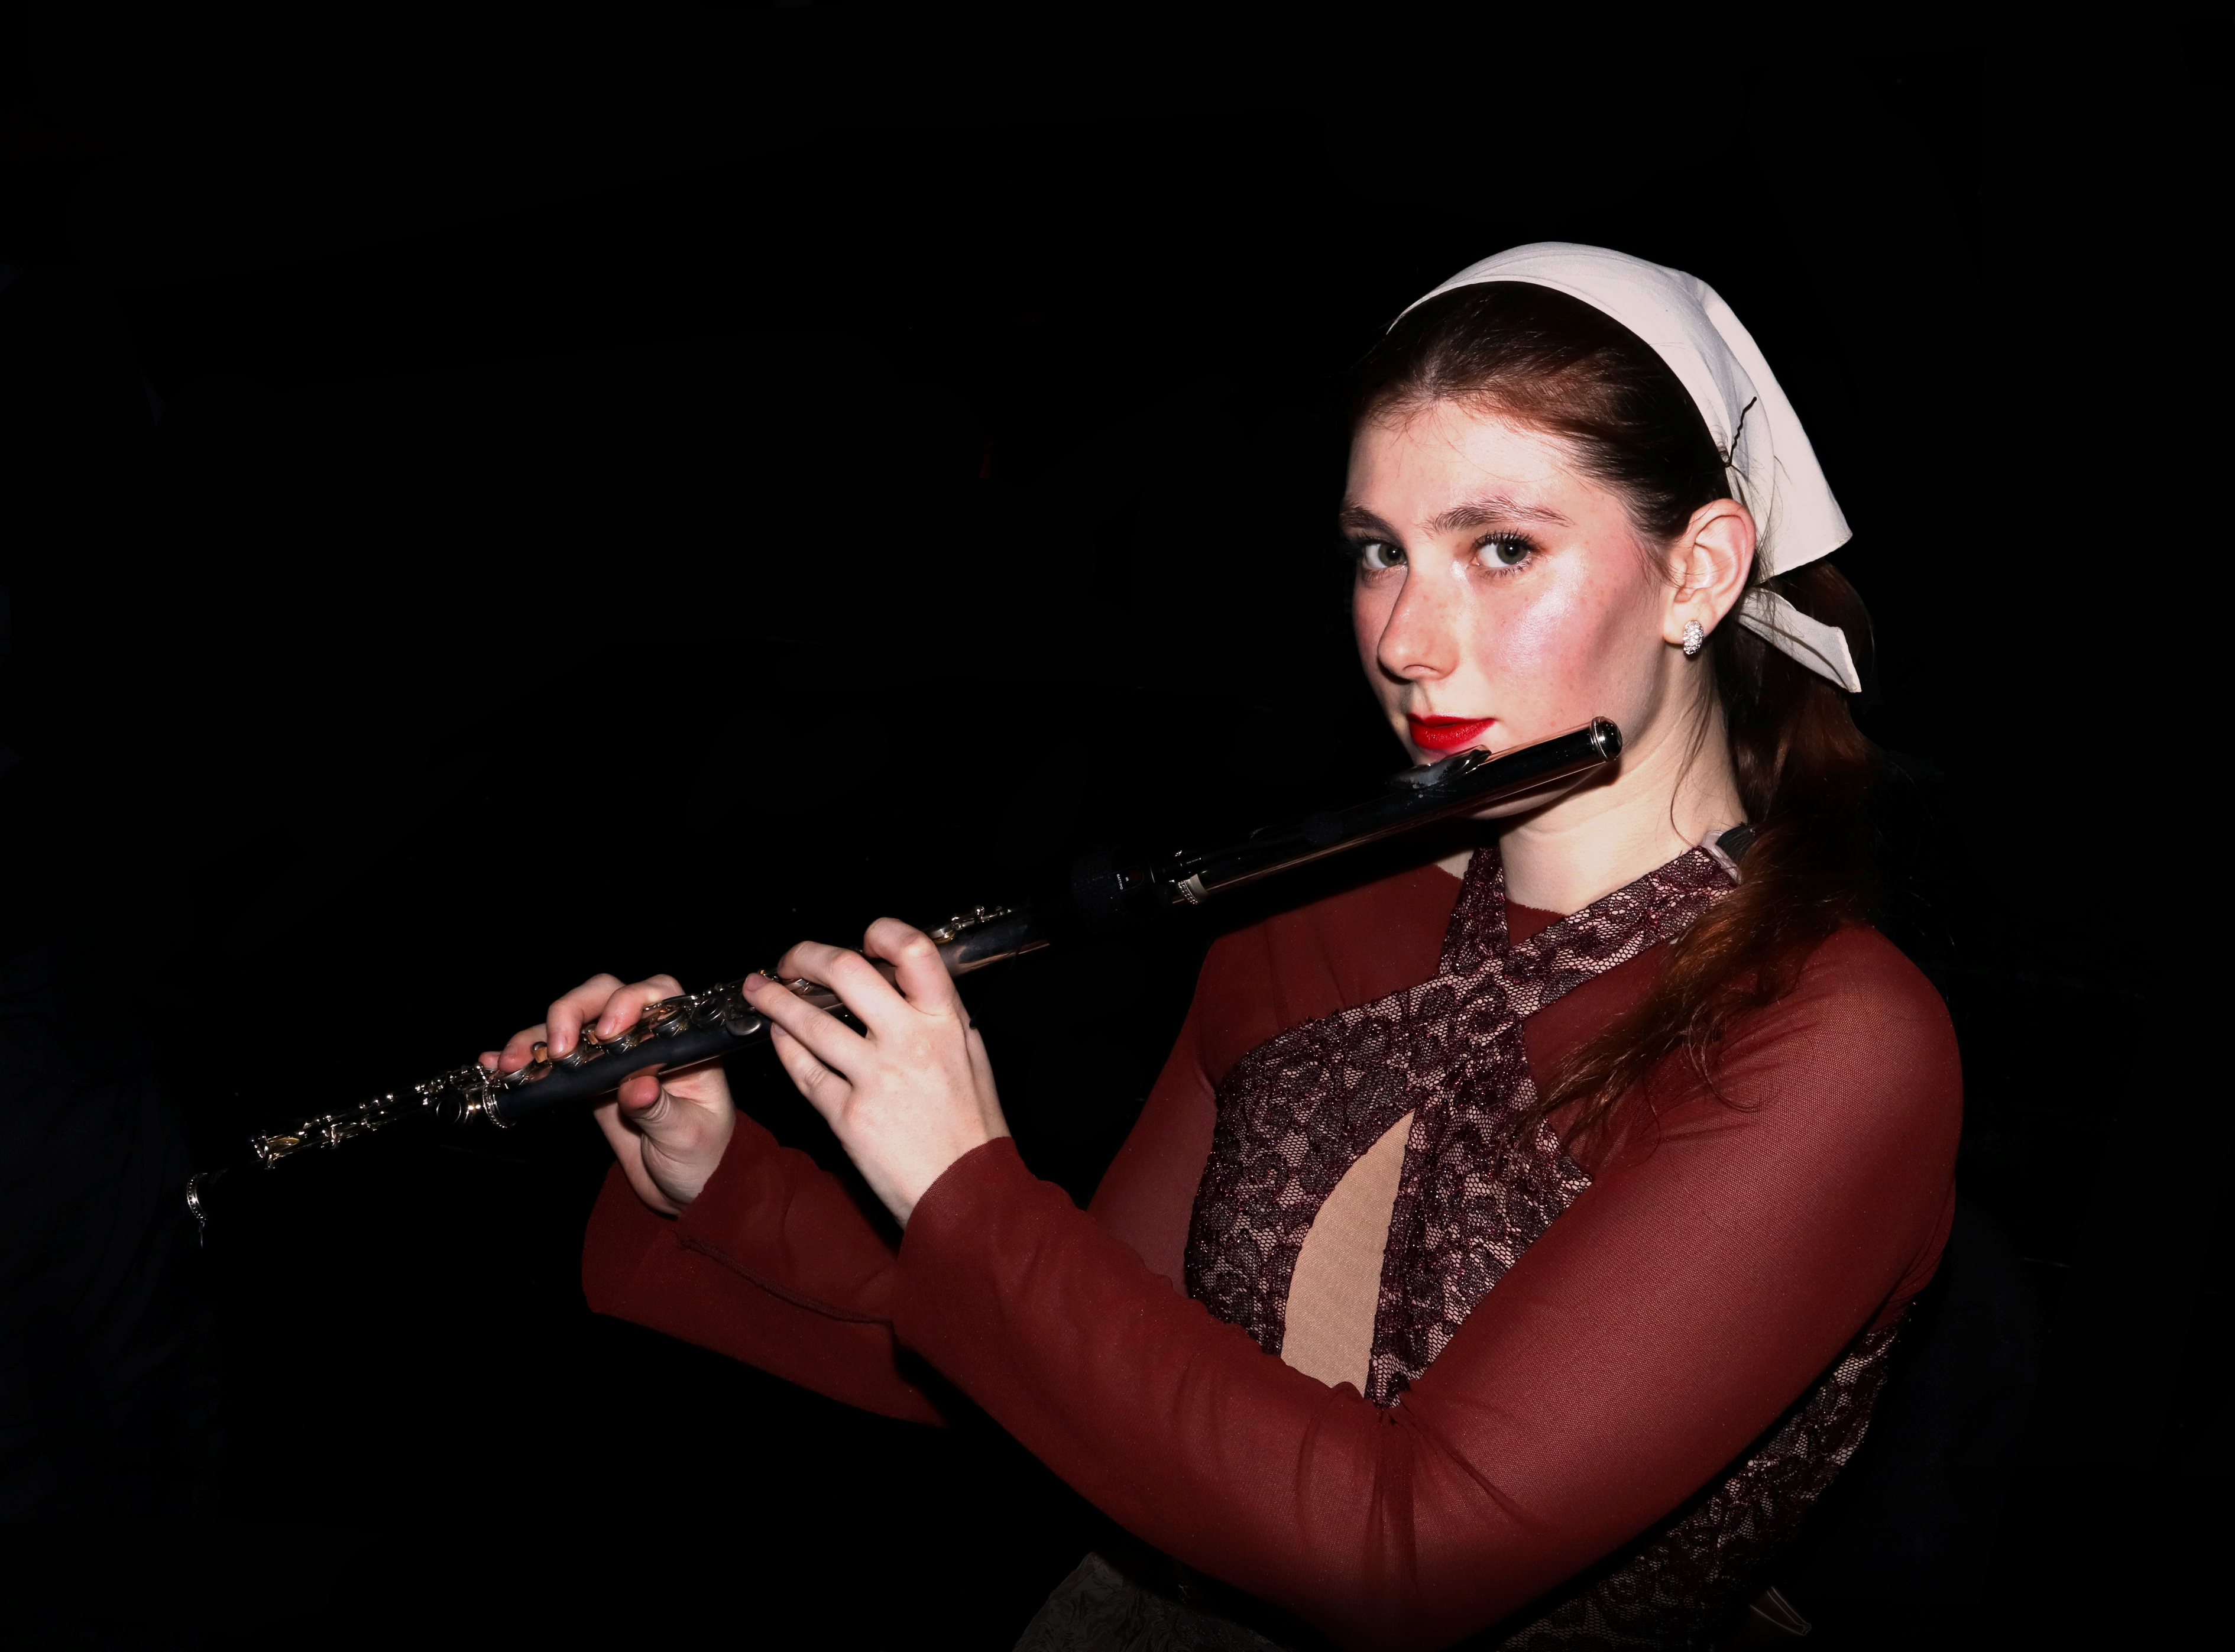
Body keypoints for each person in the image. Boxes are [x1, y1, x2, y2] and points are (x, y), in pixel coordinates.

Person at [487, 245, 1959, 1650]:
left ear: (1700, 570)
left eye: (1502, 547)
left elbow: (1411, 1555)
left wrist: (964, 1186)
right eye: (1379, 552)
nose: (1406, 638)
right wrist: (725, 1182)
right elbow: (1071, 1362)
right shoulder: (1312, 915)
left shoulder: (1830, 1040)